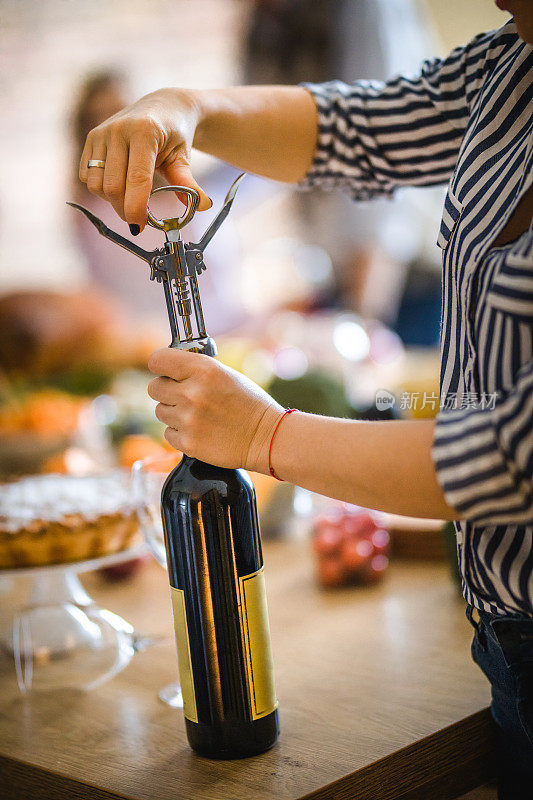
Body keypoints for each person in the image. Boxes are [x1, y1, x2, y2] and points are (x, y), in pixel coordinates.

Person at [79, 5, 532, 796]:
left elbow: (511, 456)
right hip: (504, 633)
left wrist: (263, 435)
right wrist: (186, 106)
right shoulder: (510, 62)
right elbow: (359, 125)